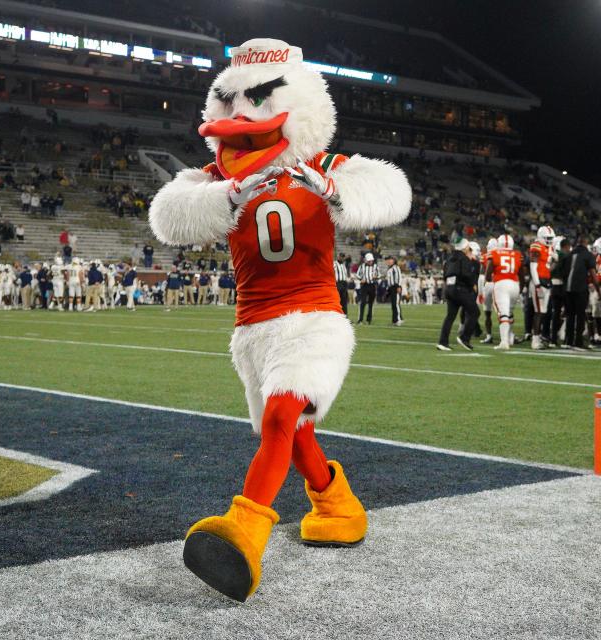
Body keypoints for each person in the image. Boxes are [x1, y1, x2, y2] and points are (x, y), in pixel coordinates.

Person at [148, 37, 411, 603]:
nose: (244, 116)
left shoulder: (320, 166)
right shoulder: (216, 173)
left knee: (280, 418)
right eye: (232, 102)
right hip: (252, 328)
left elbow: (392, 189)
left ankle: (245, 530)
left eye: (260, 101)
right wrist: (226, 196)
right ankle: (336, 503)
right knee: (293, 433)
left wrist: (337, 192)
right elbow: (168, 216)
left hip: (314, 316)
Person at [438, 239, 479, 351]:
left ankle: (443, 342)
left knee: (450, 316)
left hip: (449, 289)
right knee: (475, 312)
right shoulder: (464, 258)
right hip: (460, 289)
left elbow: (445, 275)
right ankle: (464, 338)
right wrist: (472, 284)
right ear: (465, 248)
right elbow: (466, 274)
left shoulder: (449, 259)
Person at [484, 234, 522, 349]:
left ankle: (504, 342)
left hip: (501, 283)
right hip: (515, 284)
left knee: (503, 314)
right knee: (509, 313)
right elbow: (521, 273)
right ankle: (510, 338)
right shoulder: (517, 254)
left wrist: (489, 279)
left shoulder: (495, 253)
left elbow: (488, 271)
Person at [564, 236, 598, 349]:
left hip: (568, 289)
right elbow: (593, 274)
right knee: (580, 316)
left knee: (570, 316)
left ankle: (568, 341)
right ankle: (578, 341)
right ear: (585, 242)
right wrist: (598, 290)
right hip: (580, 289)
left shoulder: (570, 254)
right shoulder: (588, 255)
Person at [528, 225, 556, 349]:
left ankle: (538, 337)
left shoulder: (548, 248)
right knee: (539, 312)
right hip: (538, 282)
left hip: (546, 281)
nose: (549, 240)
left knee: (543, 312)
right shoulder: (536, 247)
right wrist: (537, 285)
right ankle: (535, 340)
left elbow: (549, 266)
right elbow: (533, 268)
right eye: (547, 238)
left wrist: (554, 261)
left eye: (551, 238)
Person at [356, 253, 379, 324]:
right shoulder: (362, 266)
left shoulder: (375, 266)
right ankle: (360, 319)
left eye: (371, 260)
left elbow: (379, 274)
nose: (370, 262)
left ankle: (369, 320)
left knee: (371, 303)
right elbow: (357, 275)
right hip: (364, 285)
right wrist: (361, 279)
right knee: (362, 302)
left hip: (372, 285)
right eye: (369, 261)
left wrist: (376, 276)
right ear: (366, 260)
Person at [385, 255, 403, 325]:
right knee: (393, 304)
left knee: (396, 304)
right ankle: (394, 320)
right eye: (388, 260)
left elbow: (398, 277)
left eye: (390, 259)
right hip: (391, 287)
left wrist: (398, 286)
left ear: (394, 260)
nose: (389, 261)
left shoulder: (395, 267)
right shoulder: (390, 269)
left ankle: (398, 320)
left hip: (395, 287)